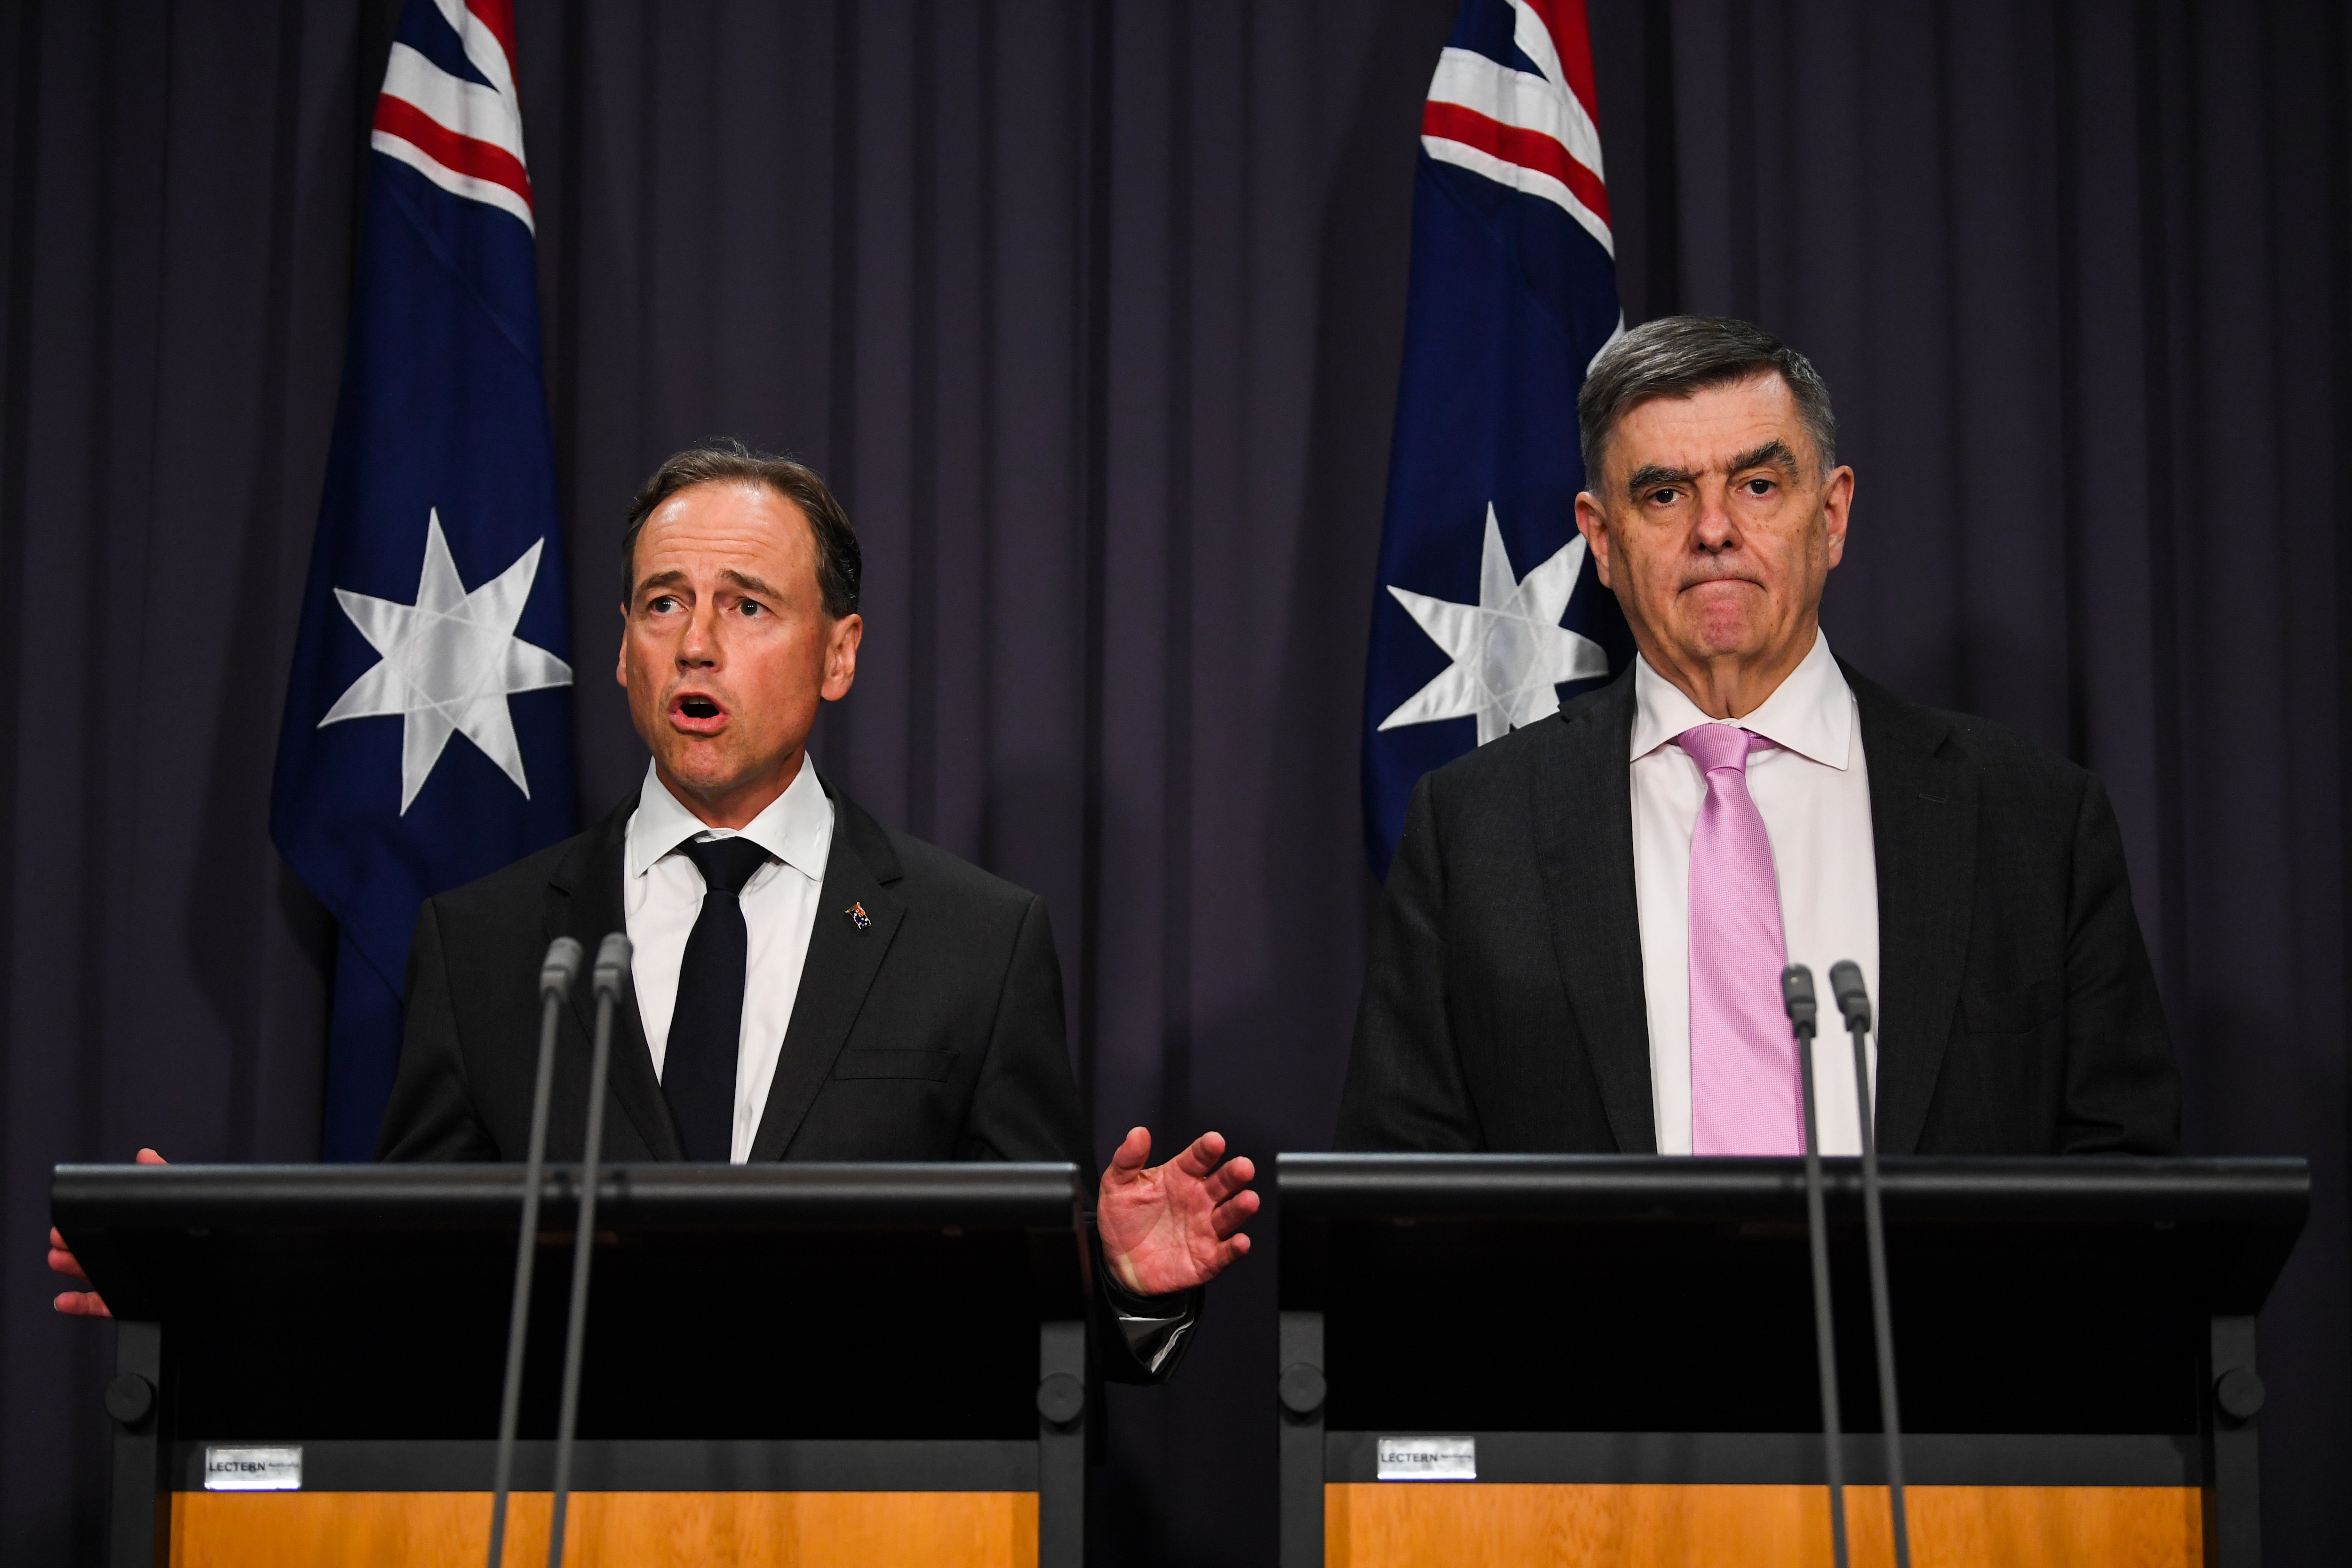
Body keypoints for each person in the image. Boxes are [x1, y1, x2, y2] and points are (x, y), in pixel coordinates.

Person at [55, 441, 1257, 1378]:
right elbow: (415, 1300)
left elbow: (1031, 1339)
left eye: (745, 606)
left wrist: (1120, 1283)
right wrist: (214, 1308)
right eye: (661, 604)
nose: (695, 644)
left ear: (838, 654)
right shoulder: (483, 942)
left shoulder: (975, 941)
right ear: (622, 651)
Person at [1338, 316, 2180, 1157]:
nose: (1713, 529)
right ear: (1601, 539)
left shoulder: (2033, 823)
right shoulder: (1473, 831)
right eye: (1664, 494)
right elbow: (1402, 1203)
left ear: (1834, 513)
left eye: (1758, 485)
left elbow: (2129, 1180)